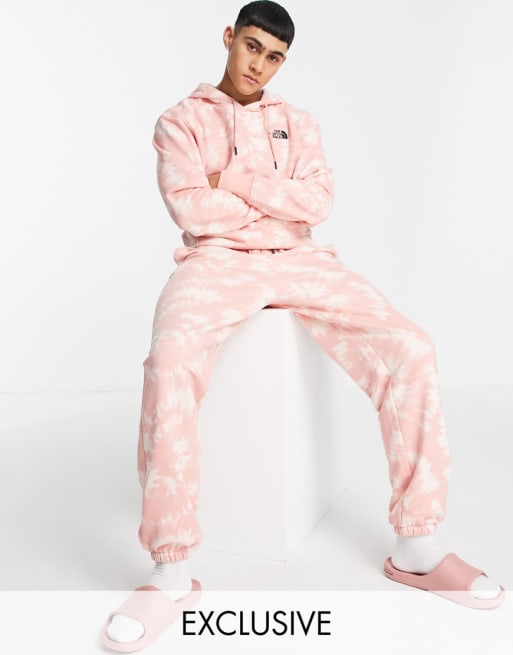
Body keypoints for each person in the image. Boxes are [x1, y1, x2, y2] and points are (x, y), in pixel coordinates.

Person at [99, 1, 505, 650]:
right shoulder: (180, 122)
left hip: (301, 259)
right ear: (229, 38)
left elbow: (317, 203)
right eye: (251, 47)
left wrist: (232, 177)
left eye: (274, 57)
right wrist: (270, 203)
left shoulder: (300, 123)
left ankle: (416, 545)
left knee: (410, 348)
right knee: (169, 361)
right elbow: (193, 211)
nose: (259, 65)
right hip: (216, 262)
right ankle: (169, 571)